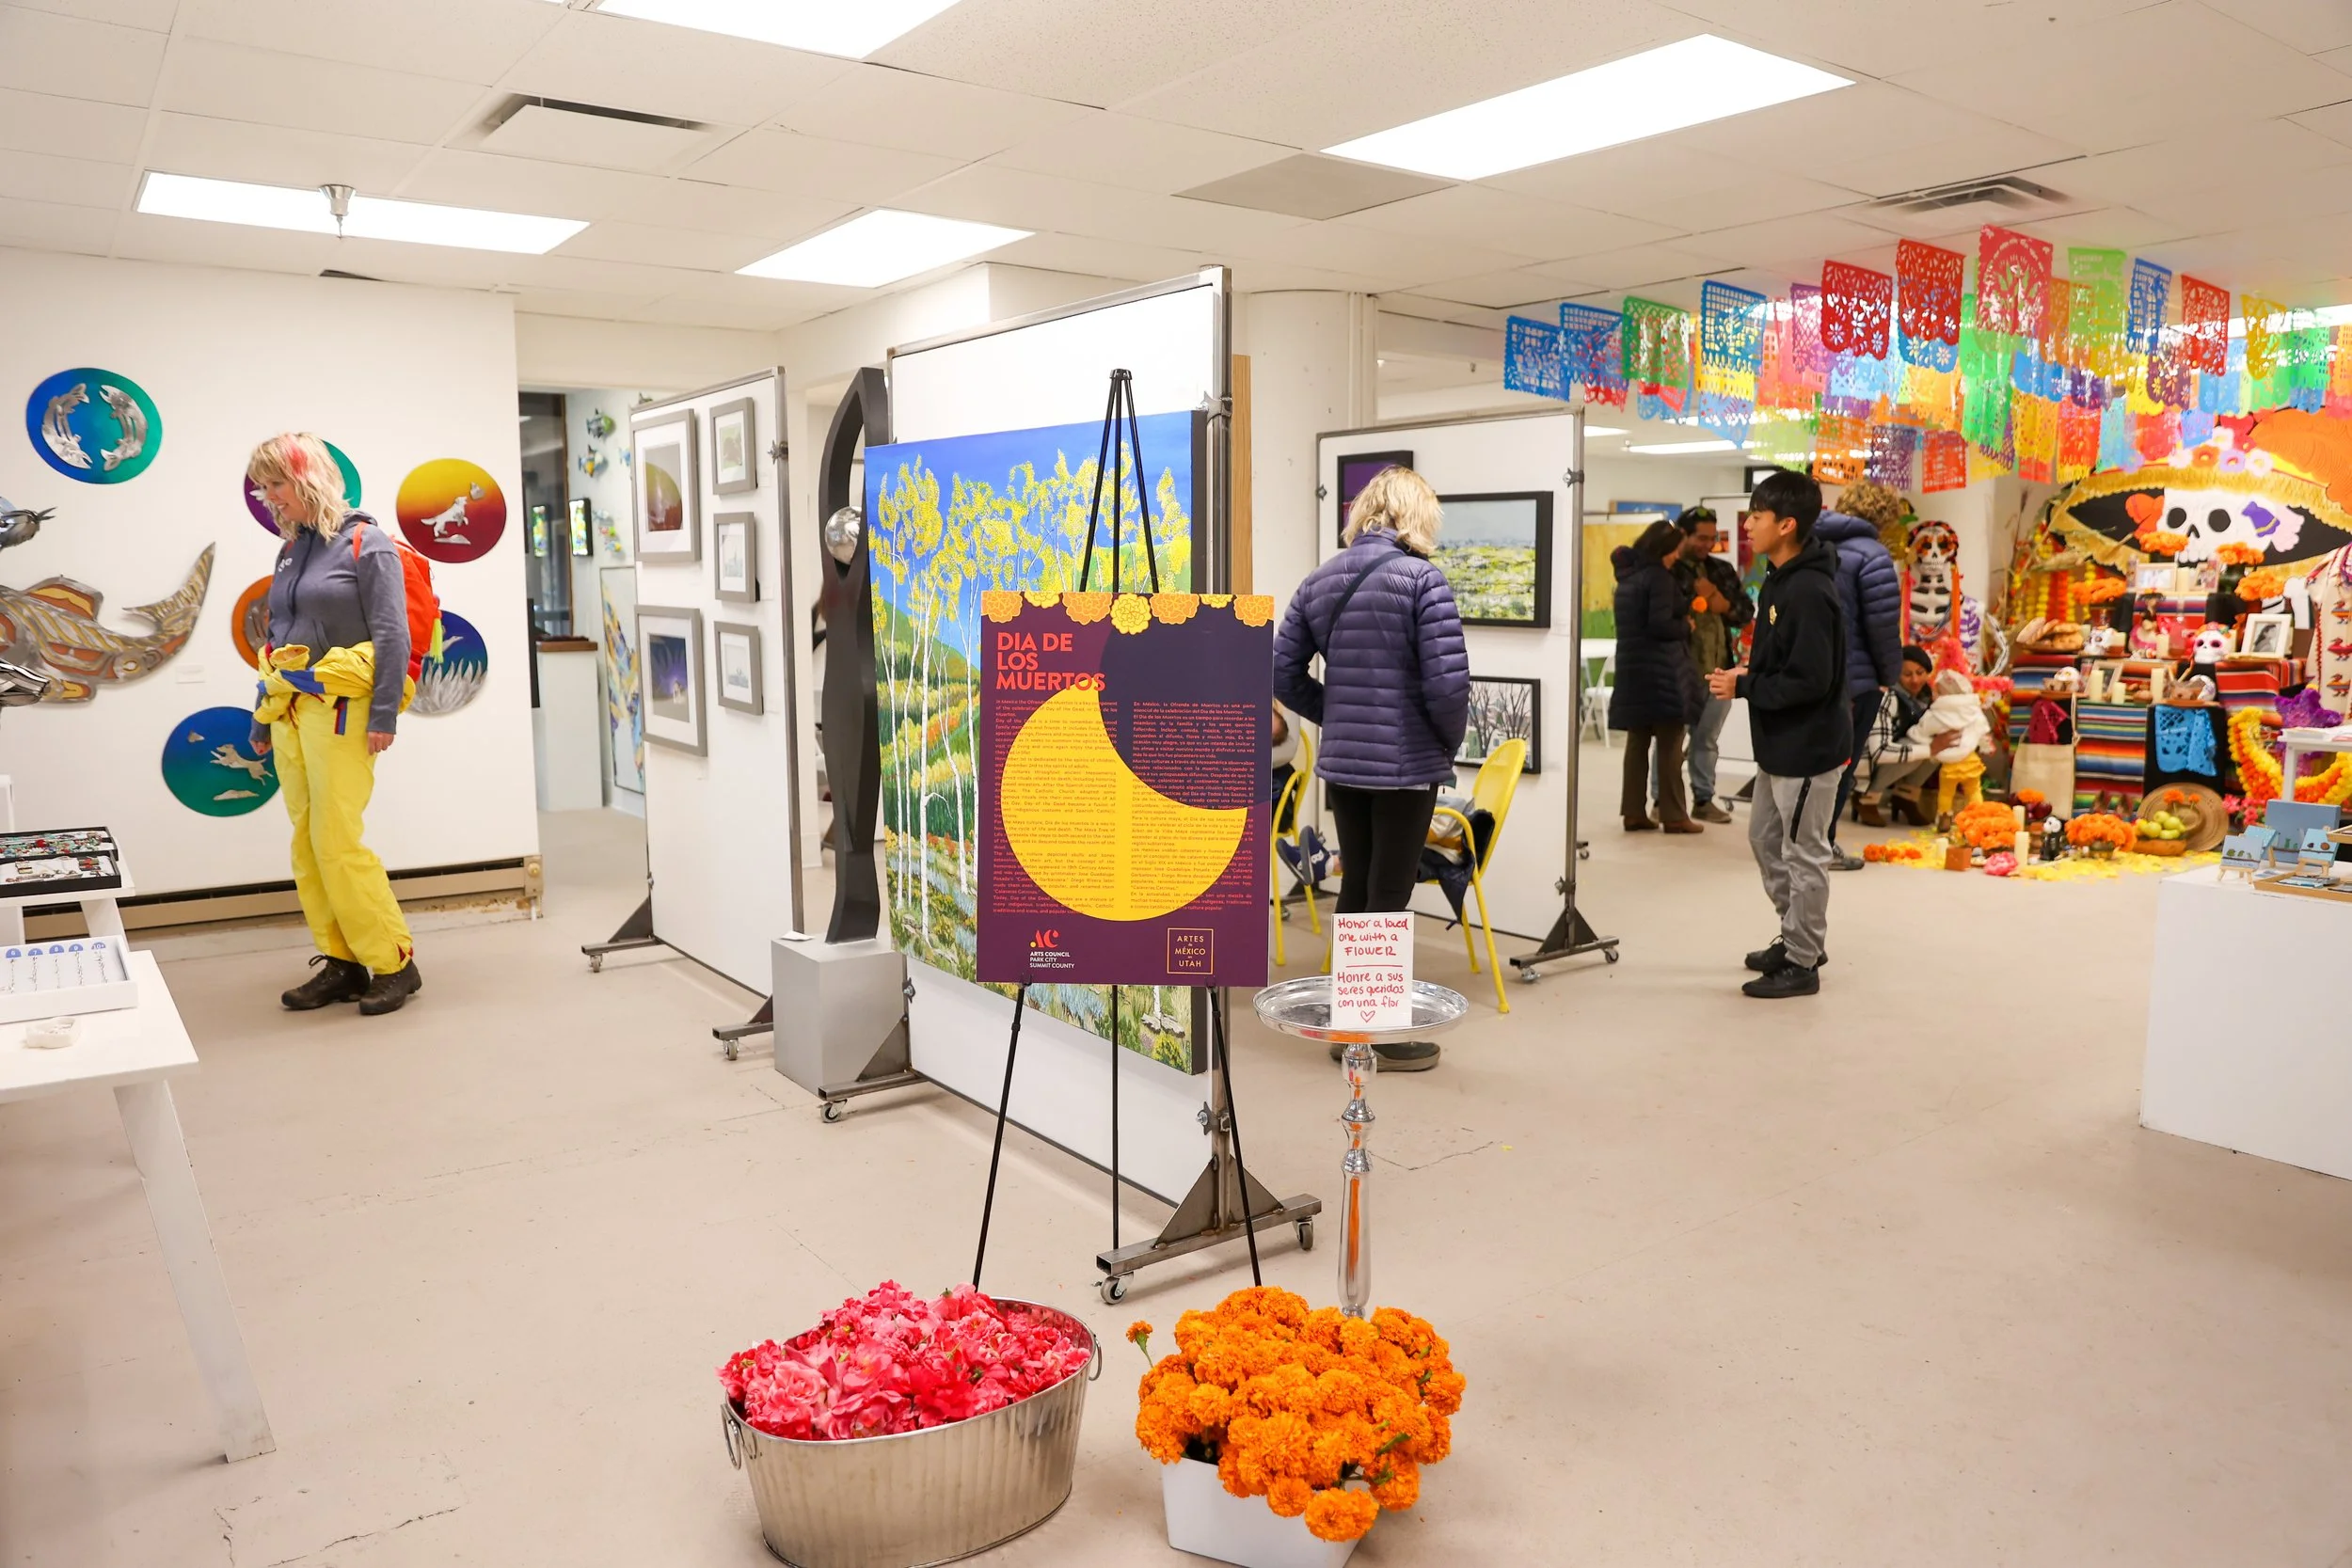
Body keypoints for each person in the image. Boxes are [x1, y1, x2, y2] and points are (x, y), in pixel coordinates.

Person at [1274, 466, 1469, 1071]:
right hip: (1406, 766)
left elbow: (1281, 675)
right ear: (1415, 515)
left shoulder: (1318, 581)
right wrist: (1446, 742)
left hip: (1346, 766)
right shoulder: (1422, 580)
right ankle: (1375, 1034)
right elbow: (1448, 685)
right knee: (1390, 890)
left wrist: (1334, 714)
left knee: (1357, 884)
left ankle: (1350, 1023)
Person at [246, 433, 423, 1016]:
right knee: (306, 841)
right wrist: (261, 708)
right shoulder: (292, 550)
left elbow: (392, 633)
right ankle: (342, 961)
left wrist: (384, 714)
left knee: (337, 841)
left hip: (345, 711)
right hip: (292, 711)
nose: (269, 496)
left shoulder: (367, 544)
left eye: (277, 484)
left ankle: (395, 962)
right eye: (263, 485)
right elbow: (281, 637)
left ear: (309, 480)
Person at [1708, 470, 1850, 1000]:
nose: (1748, 524)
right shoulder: (1779, 578)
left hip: (1808, 747)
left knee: (1804, 852)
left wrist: (1746, 685)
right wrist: (1746, 677)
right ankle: (1797, 938)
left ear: (1786, 525)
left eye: (1758, 517)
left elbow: (1809, 681)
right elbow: (1786, 664)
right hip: (1781, 744)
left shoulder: (1810, 591)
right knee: (1766, 839)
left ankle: (1803, 960)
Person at [1812, 482, 1905, 871]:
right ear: (1884, 516)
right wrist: (1890, 675)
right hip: (1857, 677)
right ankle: (1822, 845)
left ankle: (1799, 840)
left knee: (1812, 764)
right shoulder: (1873, 555)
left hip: (1813, 672)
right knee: (1841, 766)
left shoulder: (1810, 545)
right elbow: (1882, 625)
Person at [1609, 518, 1705, 833]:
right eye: (1675, 550)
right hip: (1663, 672)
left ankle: (1633, 811)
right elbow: (1660, 624)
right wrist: (1686, 626)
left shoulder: (1627, 578)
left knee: (1637, 742)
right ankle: (1675, 815)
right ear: (1665, 548)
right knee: (1670, 743)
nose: (1677, 556)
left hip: (1633, 670)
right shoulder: (1659, 579)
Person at [1670, 507, 1753, 823]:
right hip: (1679, 671)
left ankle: (1703, 799)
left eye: (1712, 538)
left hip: (1719, 669)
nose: (1707, 544)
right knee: (1670, 741)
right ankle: (1662, 800)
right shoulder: (1670, 569)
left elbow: (1745, 611)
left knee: (1707, 739)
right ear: (1684, 535)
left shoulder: (1721, 570)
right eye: (1701, 538)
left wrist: (1720, 601)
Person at [1852, 645, 1955, 826]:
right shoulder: (1887, 696)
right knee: (1923, 748)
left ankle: (1906, 797)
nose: (1915, 680)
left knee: (1942, 744)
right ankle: (1865, 797)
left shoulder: (1927, 696)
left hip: (1894, 754)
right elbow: (1878, 751)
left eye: (1920, 672)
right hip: (1867, 763)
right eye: (1907, 674)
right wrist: (1928, 749)